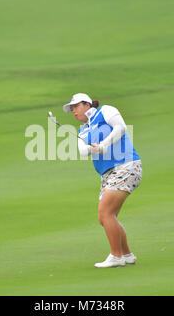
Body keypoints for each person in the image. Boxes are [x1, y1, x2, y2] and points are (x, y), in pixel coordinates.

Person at [63, 93, 142, 268]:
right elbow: (83, 152)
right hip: (108, 174)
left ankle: (116, 256)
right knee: (105, 217)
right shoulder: (83, 130)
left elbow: (120, 128)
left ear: (86, 104)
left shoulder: (106, 111)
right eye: (72, 109)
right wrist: (93, 147)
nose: (74, 112)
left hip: (126, 165)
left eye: (76, 107)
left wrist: (104, 145)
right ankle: (127, 255)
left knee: (106, 213)